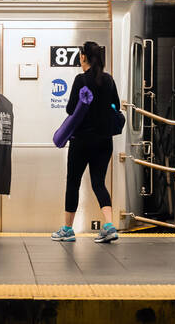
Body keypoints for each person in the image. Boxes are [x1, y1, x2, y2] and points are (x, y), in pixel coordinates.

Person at [52, 40, 121, 243]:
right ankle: (109, 225)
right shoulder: (108, 80)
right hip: (104, 140)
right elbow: (115, 105)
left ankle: (67, 229)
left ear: (83, 57)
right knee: (99, 182)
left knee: (73, 182)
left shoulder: (81, 80)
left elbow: (71, 109)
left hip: (82, 140)